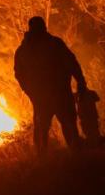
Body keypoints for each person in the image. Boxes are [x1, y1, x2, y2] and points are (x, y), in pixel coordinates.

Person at [14, 16, 87, 152]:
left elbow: (19, 75)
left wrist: (31, 93)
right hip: (59, 94)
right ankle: (76, 157)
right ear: (44, 27)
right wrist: (81, 82)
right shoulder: (54, 44)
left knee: (44, 130)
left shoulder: (23, 50)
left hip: (45, 97)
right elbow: (72, 63)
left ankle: (44, 161)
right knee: (68, 126)